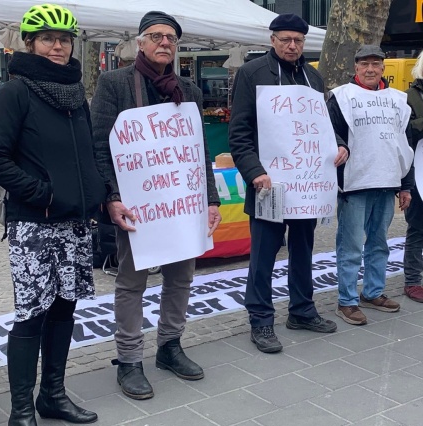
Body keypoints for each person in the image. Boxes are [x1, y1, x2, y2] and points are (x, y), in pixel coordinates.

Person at [0, 4, 106, 426]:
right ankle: (20, 414)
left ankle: (52, 394)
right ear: (30, 43)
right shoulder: (16, 92)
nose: (58, 46)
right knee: (31, 316)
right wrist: (43, 193)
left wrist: (98, 196)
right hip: (34, 225)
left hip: (75, 224)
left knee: (64, 309)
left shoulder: (76, 94)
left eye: (65, 39)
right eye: (49, 38)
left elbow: (87, 155)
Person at [90, 11, 221, 400]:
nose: (165, 43)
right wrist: (111, 198)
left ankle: (169, 346)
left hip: (181, 204)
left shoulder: (189, 90)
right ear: (141, 43)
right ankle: (129, 360)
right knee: (132, 282)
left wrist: (210, 199)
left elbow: (201, 151)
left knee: (181, 278)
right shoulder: (114, 84)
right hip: (136, 205)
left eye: (171, 38)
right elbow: (100, 146)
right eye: (157, 36)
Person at [229, 13, 344, 354]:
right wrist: (254, 173)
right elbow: (239, 133)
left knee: (303, 249)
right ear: (272, 40)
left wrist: (340, 145)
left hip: (307, 183)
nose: (292, 45)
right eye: (286, 40)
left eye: (298, 40)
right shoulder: (252, 74)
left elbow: (323, 127)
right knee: (264, 253)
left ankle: (302, 310)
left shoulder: (313, 77)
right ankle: (261, 320)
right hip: (270, 183)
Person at [327, 44, 414, 325]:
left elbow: (406, 145)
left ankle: (373, 292)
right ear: (355, 67)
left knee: (379, 244)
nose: (370, 69)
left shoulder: (399, 100)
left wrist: (406, 185)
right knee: (351, 247)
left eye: (375, 64)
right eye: (364, 64)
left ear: (383, 68)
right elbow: (331, 135)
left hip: (387, 181)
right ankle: (347, 300)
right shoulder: (340, 97)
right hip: (354, 184)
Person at [404, 53, 423, 302]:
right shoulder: (408, 97)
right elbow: (405, 131)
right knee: (417, 227)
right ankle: (412, 280)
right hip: (417, 172)